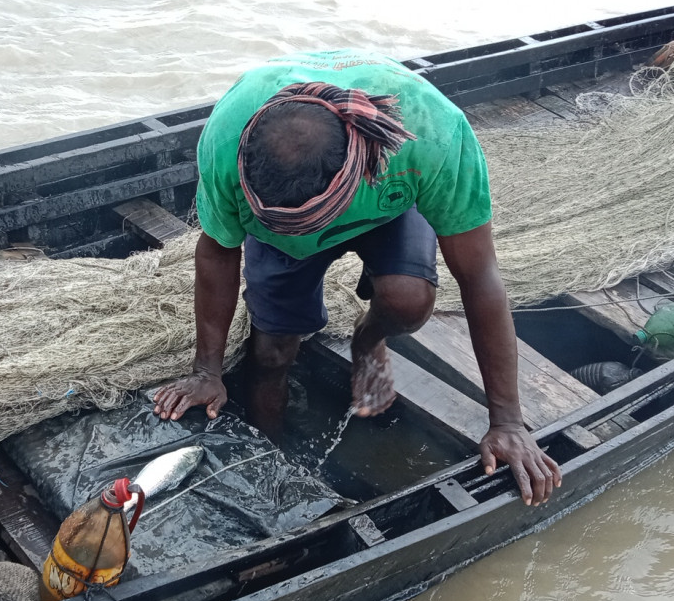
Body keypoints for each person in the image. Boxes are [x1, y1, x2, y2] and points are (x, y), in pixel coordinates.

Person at [151, 49, 561, 506]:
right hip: (279, 239)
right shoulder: (225, 138)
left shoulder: (433, 135)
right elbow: (218, 252)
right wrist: (207, 371)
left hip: (387, 205)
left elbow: (480, 277)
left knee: (409, 300)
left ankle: (368, 339)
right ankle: (268, 463)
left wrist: (507, 421)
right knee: (269, 355)